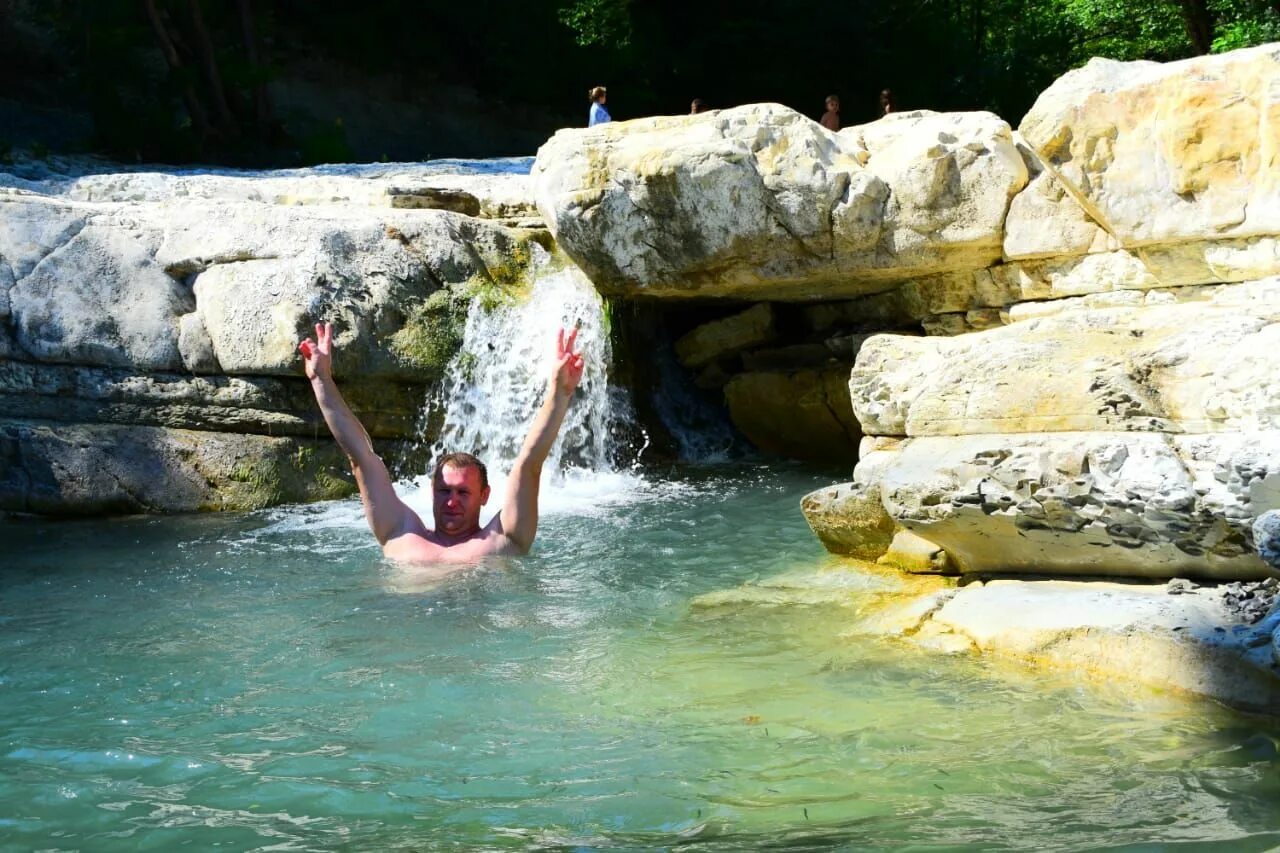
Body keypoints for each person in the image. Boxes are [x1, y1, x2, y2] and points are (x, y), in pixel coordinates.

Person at [298, 322, 585, 564]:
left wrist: (559, 393)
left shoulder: (502, 539)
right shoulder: (401, 534)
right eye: (444, 490)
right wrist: (321, 379)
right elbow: (361, 457)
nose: (451, 501)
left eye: (463, 492)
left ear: (484, 496)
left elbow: (529, 464)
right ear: (431, 490)